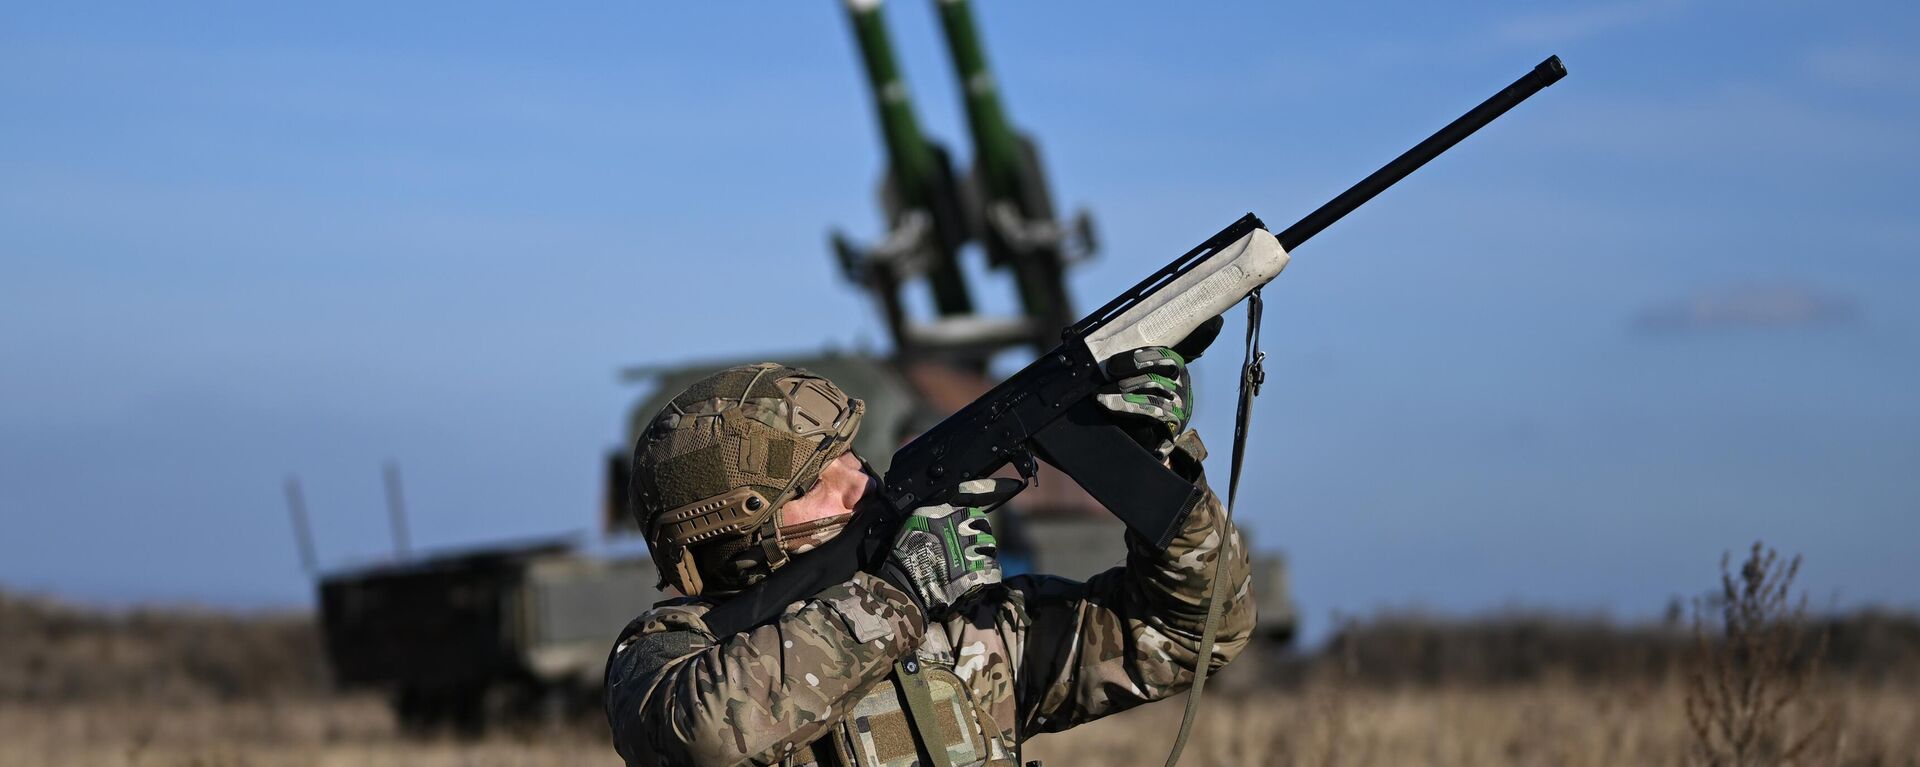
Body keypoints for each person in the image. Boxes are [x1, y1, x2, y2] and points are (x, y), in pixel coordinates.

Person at [605, 345, 1254, 767]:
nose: (860, 481)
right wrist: (896, 596)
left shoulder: (969, 633)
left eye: (850, 455)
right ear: (737, 527)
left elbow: (1188, 631)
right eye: (813, 481)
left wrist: (1152, 471)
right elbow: (708, 732)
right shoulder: (663, 655)